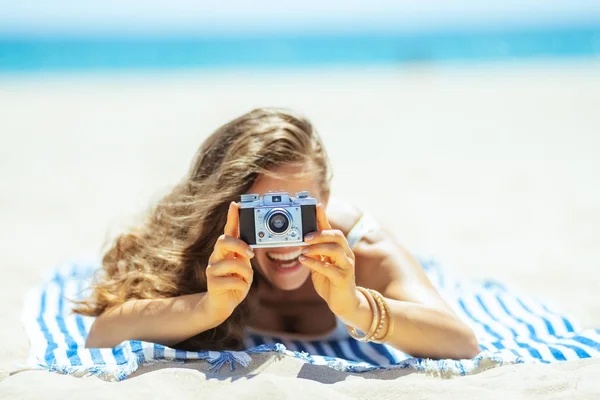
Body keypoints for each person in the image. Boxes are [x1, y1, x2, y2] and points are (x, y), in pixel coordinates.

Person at [75, 108, 479, 359]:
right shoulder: (211, 250)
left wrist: (355, 305)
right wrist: (209, 308)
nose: (283, 235)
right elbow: (106, 332)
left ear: (325, 200)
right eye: (264, 213)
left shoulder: (362, 248)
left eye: (297, 211)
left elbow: (461, 342)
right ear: (229, 208)